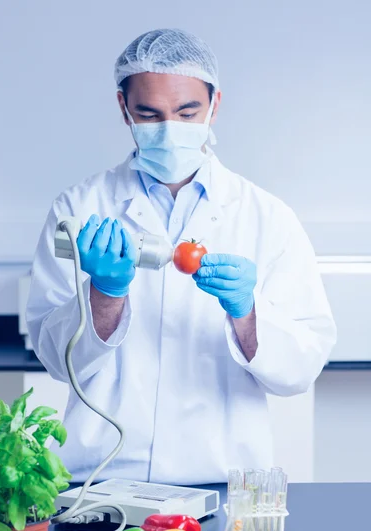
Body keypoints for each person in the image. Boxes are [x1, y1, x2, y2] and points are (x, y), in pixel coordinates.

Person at [27, 29, 336, 485]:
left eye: (187, 111)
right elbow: (56, 359)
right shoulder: (79, 208)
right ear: (123, 108)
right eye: (149, 114)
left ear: (215, 105)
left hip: (220, 476)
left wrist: (246, 313)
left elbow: (299, 369)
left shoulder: (267, 217)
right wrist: (104, 295)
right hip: (101, 477)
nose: (170, 129)